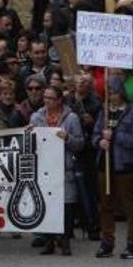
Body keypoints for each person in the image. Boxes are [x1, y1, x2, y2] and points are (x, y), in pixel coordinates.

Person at [94, 77, 133, 259]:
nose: (111, 96)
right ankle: (107, 242)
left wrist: (115, 137)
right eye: (108, 93)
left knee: (131, 206)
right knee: (106, 206)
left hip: (125, 166)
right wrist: (99, 141)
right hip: (105, 165)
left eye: (114, 92)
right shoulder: (104, 111)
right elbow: (95, 134)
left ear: (122, 93)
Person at [30, 86, 84, 256]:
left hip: (64, 167)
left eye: (51, 98)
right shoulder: (37, 117)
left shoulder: (71, 118)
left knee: (66, 205)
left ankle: (65, 240)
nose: (46, 101)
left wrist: (67, 138)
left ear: (60, 100)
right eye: (45, 97)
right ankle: (49, 241)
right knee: (46, 205)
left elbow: (80, 143)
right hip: (45, 168)